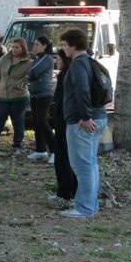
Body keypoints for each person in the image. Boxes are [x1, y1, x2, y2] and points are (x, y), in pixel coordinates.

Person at [58, 28, 107, 218]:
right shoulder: (90, 61)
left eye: (64, 45)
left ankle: (84, 208)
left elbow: (82, 90)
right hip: (98, 116)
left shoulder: (78, 64)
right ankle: (89, 204)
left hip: (83, 122)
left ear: (74, 45)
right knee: (91, 164)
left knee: (82, 166)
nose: (63, 49)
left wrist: (85, 117)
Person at [0, 37, 32, 153]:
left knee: (18, 122)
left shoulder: (28, 62)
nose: (14, 49)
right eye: (13, 47)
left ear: (23, 48)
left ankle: (17, 145)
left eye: (17, 47)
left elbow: (32, 76)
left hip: (19, 97)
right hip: (3, 96)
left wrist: (24, 84)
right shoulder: (4, 59)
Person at [48, 48, 76, 209]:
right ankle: (63, 191)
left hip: (66, 119)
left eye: (58, 58)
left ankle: (67, 193)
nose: (56, 61)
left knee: (65, 157)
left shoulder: (68, 73)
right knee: (61, 157)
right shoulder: (64, 73)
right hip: (61, 119)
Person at [26, 36, 54, 162]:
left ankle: (55, 150)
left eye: (37, 45)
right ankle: (40, 150)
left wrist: (29, 76)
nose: (34, 47)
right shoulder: (37, 58)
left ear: (44, 46)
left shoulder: (47, 58)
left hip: (44, 95)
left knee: (43, 121)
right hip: (34, 94)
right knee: (36, 121)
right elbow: (30, 72)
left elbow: (34, 72)